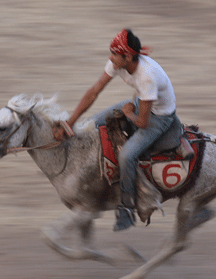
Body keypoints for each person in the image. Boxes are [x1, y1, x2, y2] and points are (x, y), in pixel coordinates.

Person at [54, 28, 193, 231]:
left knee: (127, 156)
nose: (110, 58)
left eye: (114, 54)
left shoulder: (147, 77)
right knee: (93, 123)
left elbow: (143, 123)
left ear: (127, 57)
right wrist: (70, 122)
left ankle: (127, 208)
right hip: (140, 105)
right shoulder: (118, 63)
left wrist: (128, 113)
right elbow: (94, 91)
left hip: (159, 118)